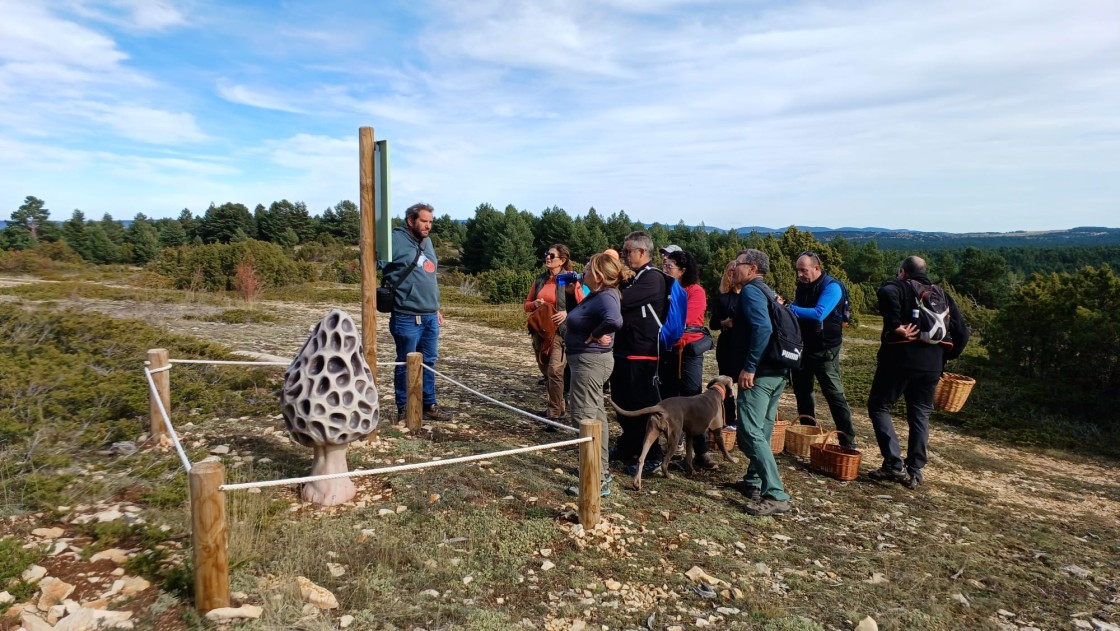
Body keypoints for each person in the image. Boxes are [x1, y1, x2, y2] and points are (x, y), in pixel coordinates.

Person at [867, 256, 967, 489]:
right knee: (920, 415)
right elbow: (962, 332)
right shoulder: (941, 295)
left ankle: (893, 462)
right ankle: (915, 470)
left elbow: (885, 292)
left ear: (903, 272)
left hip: (899, 360)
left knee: (879, 406)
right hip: (932, 366)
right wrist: (945, 357)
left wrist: (895, 326)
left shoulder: (899, 286)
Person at [727, 249, 792, 516]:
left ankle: (776, 494)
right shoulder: (768, 292)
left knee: (749, 433)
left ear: (752, 268)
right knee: (763, 430)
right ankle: (754, 481)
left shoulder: (752, 292)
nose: (734, 268)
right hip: (778, 371)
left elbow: (763, 328)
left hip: (761, 374)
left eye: (738, 264)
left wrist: (750, 367)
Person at [564, 252, 628, 497]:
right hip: (586, 363)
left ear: (599, 275)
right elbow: (579, 319)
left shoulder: (607, 297)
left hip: (590, 364)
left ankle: (594, 480)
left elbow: (614, 320)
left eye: (588, 268)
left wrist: (595, 334)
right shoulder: (598, 295)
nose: (584, 271)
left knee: (585, 417)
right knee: (595, 417)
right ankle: (599, 471)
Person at [384, 202, 451, 422]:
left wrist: (436, 307)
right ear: (411, 220)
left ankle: (428, 405)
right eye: (424, 221)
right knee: (405, 362)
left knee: (429, 361)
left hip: (430, 315)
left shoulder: (427, 241)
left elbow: (430, 277)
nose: (428, 226)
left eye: (431, 222)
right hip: (406, 315)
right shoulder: (394, 239)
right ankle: (404, 407)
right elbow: (372, 263)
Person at [610, 231, 667, 476]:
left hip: (642, 353)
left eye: (627, 251)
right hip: (623, 350)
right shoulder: (632, 277)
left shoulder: (653, 278)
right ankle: (630, 444)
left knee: (642, 406)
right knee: (622, 403)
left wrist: (607, 288)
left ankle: (653, 455)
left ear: (642, 252)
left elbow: (620, 300)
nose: (623, 256)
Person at [788, 252, 857, 448]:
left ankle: (847, 441)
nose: (800, 274)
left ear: (816, 268)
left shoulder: (832, 287)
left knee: (834, 395)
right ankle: (808, 434)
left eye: (804, 270)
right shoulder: (803, 286)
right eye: (798, 270)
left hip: (825, 350)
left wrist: (788, 307)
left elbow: (819, 314)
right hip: (803, 348)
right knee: (802, 392)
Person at [659, 249, 716, 469]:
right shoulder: (665, 288)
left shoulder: (695, 291)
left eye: (669, 266)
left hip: (688, 351)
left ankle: (701, 452)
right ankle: (675, 444)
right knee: (670, 397)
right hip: (668, 350)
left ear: (683, 270)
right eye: (664, 266)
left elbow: (685, 318)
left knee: (692, 399)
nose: (666, 269)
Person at [524, 244, 582, 423]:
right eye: (546, 254)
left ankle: (554, 413)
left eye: (551, 255)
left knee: (555, 370)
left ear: (562, 260)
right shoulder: (540, 279)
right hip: (540, 332)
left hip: (561, 332)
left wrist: (567, 314)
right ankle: (559, 403)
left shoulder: (570, 280)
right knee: (546, 371)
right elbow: (526, 305)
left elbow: (585, 305)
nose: (547, 257)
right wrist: (535, 304)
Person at [711, 259, 742, 428]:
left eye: (736, 269)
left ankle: (746, 420)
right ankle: (730, 419)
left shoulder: (750, 295)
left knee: (746, 383)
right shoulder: (723, 298)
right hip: (727, 345)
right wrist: (724, 323)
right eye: (730, 270)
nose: (733, 273)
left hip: (743, 345)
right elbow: (713, 324)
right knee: (727, 382)